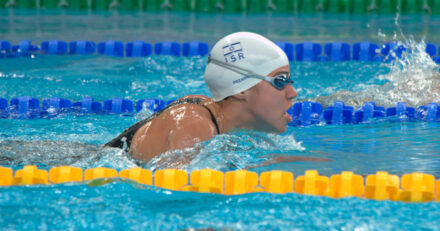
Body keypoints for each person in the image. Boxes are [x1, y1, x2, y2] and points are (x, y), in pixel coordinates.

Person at [106, 32, 328, 164]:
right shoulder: (193, 124)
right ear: (241, 89)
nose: (293, 92)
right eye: (280, 81)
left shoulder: (214, 117)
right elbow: (173, 193)